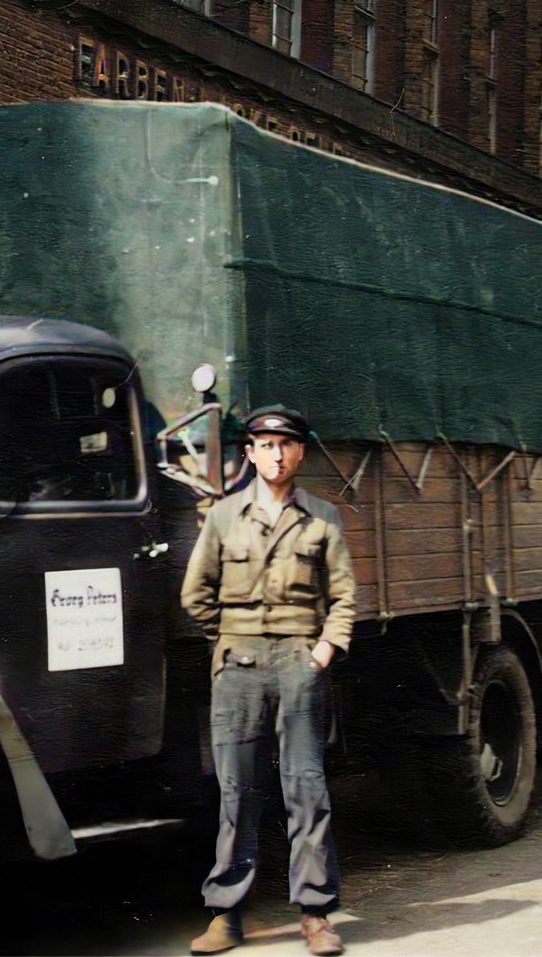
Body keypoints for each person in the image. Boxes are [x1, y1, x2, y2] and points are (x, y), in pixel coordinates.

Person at [181, 405, 357, 956]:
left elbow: (345, 595)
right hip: (238, 667)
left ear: (300, 452)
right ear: (250, 452)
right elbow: (195, 593)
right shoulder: (223, 517)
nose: (276, 455)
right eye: (265, 444)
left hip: (299, 664)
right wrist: (228, 641)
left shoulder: (322, 518)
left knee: (305, 786)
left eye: (287, 445)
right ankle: (226, 915)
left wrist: (323, 649)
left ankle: (315, 915)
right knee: (236, 791)